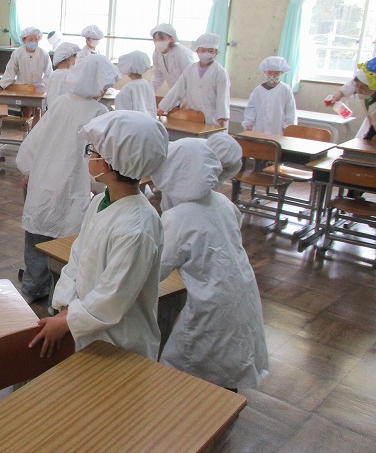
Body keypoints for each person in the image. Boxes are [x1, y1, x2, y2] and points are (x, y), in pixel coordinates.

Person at [29, 111, 169, 359]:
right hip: (86, 328)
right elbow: (78, 257)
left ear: (106, 163)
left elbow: (113, 296)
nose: (89, 156)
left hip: (120, 345)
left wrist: (67, 321)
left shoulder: (137, 227)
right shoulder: (100, 202)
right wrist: (66, 306)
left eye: (92, 151)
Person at [151, 138, 268, 390]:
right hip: (239, 295)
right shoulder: (224, 203)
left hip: (211, 305)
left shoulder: (179, 217)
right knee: (226, 364)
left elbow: (154, 270)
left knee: (192, 370)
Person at [16, 55, 117, 304]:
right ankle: (61, 295)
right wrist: (100, 185)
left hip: (44, 178)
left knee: (37, 234)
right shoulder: (99, 111)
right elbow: (97, 154)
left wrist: (28, 170)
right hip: (74, 182)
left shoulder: (61, 102)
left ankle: (33, 286)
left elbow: (35, 139)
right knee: (68, 241)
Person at [158, 32, 230, 128]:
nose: (206, 53)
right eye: (203, 50)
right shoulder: (190, 69)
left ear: (216, 53)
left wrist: (222, 117)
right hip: (193, 117)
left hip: (213, 118)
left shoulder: (220, 72)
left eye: (211, 51)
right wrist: (163, 108)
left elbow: (223, 96)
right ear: (197, 51)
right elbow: (177, 89)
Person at [0, 26, 53, 125]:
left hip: (39, 88)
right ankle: (25, 130)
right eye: (31, 39)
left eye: (36, 39)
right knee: (26, 110)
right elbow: (10, 70)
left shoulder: (43, 54)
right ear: (23, 40)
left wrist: (50, 88)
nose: (34, 42)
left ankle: (35, 131)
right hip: (22, 88)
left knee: (38, 110)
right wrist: (2, 85)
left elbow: (49, 73)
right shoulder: (17, 53)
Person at [323, 57, 376, 141]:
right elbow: (355, 83)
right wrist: (338, 95)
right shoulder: (364, 81)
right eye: (357, 86)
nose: (358, 91)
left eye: (363, 88)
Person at [242, 56, 296, 134]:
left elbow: (290, 111)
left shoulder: (285, 90)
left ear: (282, 73)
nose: (273, 75)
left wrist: (287, 127)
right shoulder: (258, 90)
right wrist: (248, 123)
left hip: (278, 130)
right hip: (259, 129)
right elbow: (251, 108)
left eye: (277, 73)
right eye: (270, 72)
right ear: (265, 72)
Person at [150, 23, 194, 96]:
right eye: (155, 40)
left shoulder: (182, 53)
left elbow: (190, 77)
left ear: (170, 39)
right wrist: (149, 93)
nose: (158, 42)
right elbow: (158, 77)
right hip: (174, 91)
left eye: (161, 39)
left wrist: (187, 97)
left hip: (189, 92)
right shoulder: (156, 54)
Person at [114, 50, 156, 118]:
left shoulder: (127, 89)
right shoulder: (148, 85)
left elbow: (121, 115)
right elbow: (152, 109)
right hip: (148, 122)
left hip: (132, 124)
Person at [43, 42, 80, 113]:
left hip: (52, 112)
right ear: (69, 58)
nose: (75, 60)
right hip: (66, 113)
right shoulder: (71, 75)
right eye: (74, 57)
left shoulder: (52, 75)